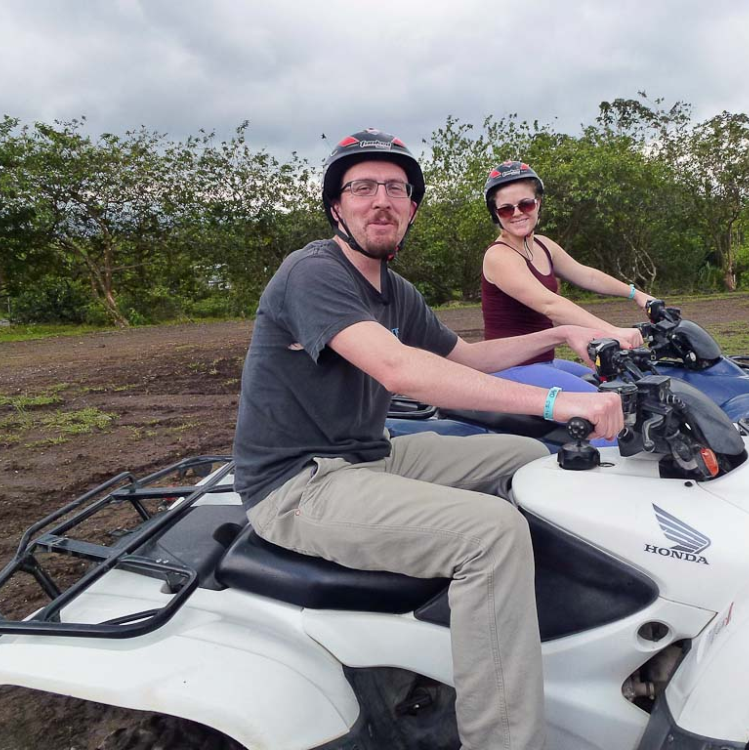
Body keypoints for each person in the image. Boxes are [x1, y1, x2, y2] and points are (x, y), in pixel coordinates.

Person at [232, 129, 625, 750]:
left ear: (412, 207)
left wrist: (562, 336)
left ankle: (498, 622)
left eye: (396, 188)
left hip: (371, 454)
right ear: (336, 204)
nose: (380, 201)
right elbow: (403, 370)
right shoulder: (313, 273)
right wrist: (558, 398)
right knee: (491, 533)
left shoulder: (397, 293)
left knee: (528, 456)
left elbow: (466, 356)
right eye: (362, 187)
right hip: (298, 482)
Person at [481, 160, 657, 392]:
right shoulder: (499, 256)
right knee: (606, 402)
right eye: (506, 209)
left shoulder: (543, 245)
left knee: (626, 380)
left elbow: (588, 276)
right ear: (496, 214)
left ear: (538, 204)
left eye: (525, 205)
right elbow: (549, 304)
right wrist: (612, 331)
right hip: (509, 368)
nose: (517, 214)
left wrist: (636, 294)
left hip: (544, 362)